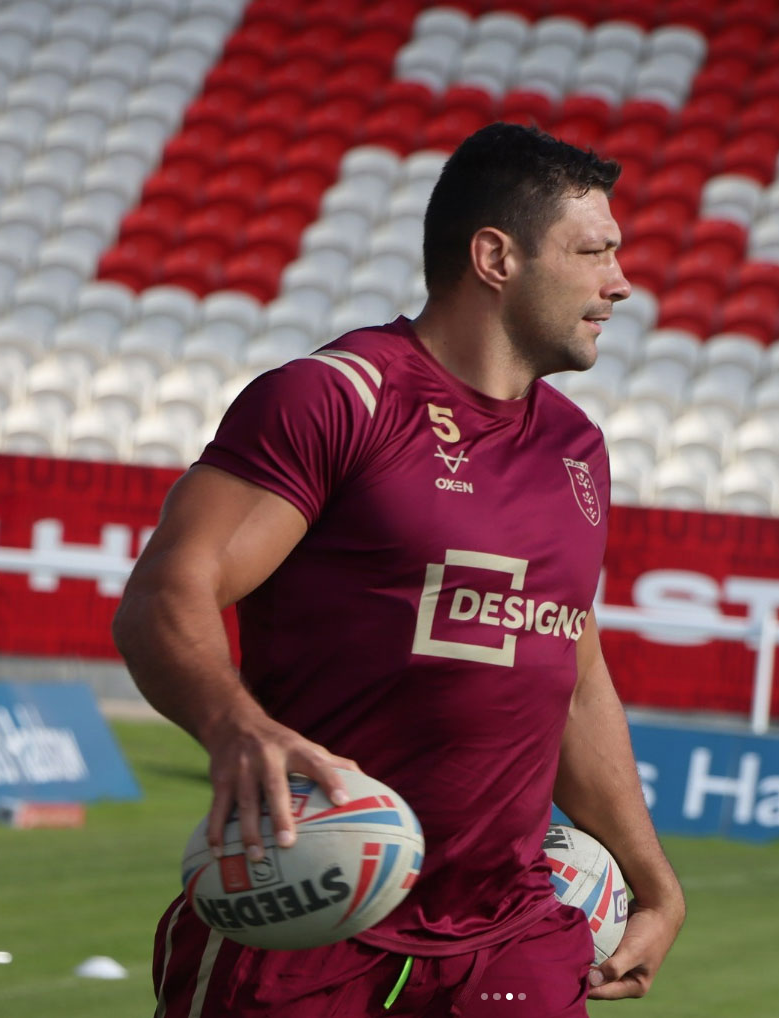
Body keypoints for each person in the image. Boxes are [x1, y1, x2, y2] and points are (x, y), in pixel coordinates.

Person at [113, 122, 685, 1018]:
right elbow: (164, 593)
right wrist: (232, 728)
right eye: (593, 252)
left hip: (508, 925)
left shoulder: (579, 448)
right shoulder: (336, 398)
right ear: (496, 257)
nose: (620, 282)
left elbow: (571, 674)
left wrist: (655, 883)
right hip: (312, 896)